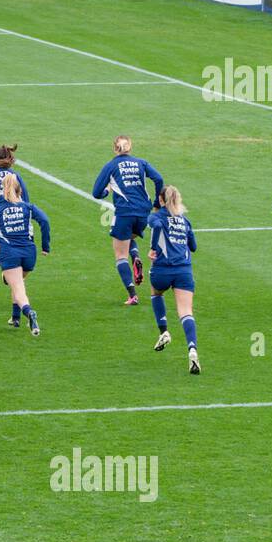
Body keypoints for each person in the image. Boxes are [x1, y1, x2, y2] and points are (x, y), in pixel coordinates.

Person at [91, 135, 163, 305]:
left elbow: (96, 193)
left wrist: (107, 191)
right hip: (143, 212)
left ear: (115, 149)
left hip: (124, 212)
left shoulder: (111, 166)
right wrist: (156, 204)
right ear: (130, 147)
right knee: (129, 238)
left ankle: (132, 294)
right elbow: (158, 179)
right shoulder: (141, 162)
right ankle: (136, 256)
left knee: (120, 255)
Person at [0, 174, 50, 334]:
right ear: (20, 190)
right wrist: (45, 246)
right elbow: (45, 221)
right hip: (29, 253)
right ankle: (15, 317)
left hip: (10, 254)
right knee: (18, 281)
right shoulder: (28, 207)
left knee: (18, 288)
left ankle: (29, 313)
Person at [147, 185, 200, 374]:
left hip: (162, 270)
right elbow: (193, 247)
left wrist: (153, 248)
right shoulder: (185, 221)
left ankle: (164, 332)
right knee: (186, 311)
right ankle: (192, 349)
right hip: (184, 271)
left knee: (155, 292)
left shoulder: (156, 216)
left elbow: (158, 226)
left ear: (161, 200)